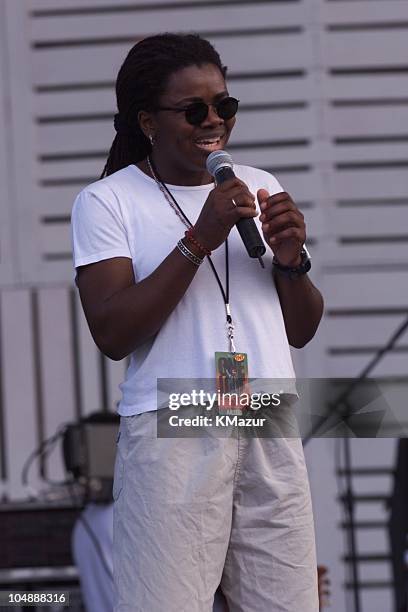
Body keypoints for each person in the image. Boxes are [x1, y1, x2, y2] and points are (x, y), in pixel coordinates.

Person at [71, 33, 324, 612]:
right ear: (148, 121)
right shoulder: (108, 202)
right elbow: (111, 332)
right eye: (194, 110)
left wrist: (292, 263)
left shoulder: (261, 185)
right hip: (176, 423)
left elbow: (301, 329)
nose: (214, 121)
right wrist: (199, 239)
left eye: (224, 106)